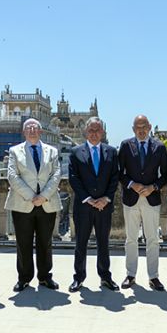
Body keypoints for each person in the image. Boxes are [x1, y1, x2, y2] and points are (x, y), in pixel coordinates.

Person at [5, 118, 62, 292]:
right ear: (24, 132)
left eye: (35, 127)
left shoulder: (52, 151)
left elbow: (56, 174)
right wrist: (32, 196)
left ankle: (45, 277)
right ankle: (24, 278)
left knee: (45, 242)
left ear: (41, 132)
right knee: (23, 243)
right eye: (28, 128)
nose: (31, 130)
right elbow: (12, 176)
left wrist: (43, 196)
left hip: (47, 203)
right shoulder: (15, 151)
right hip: (23, 203)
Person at [68, 117, 120, 292]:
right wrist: (88, 199)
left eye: (97, 130)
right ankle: (78, 278)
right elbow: (74, 179)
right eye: (91, 130)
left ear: (102, 132)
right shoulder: (75, 152)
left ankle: (105, 277)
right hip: (83, 206)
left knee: (103, 243)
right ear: (85, 132)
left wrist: (105, 198)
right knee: (80, 243)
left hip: (104, 206)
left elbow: (115, 177)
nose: (94, 133)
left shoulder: (112, 152)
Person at [118, 115, 167, 291]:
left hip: (151, 199)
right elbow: (119, 173)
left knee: (152, 239)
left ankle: (153, 277)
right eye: (137, 127)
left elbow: (166, 176)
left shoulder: (160, 147)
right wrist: (132, 185)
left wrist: (153, 187)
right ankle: (130, 275)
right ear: (133, 129)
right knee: (131, 239)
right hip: (131, 199)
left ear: (149, 127)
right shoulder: (125, 146)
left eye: (144, 126)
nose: (141, 130)